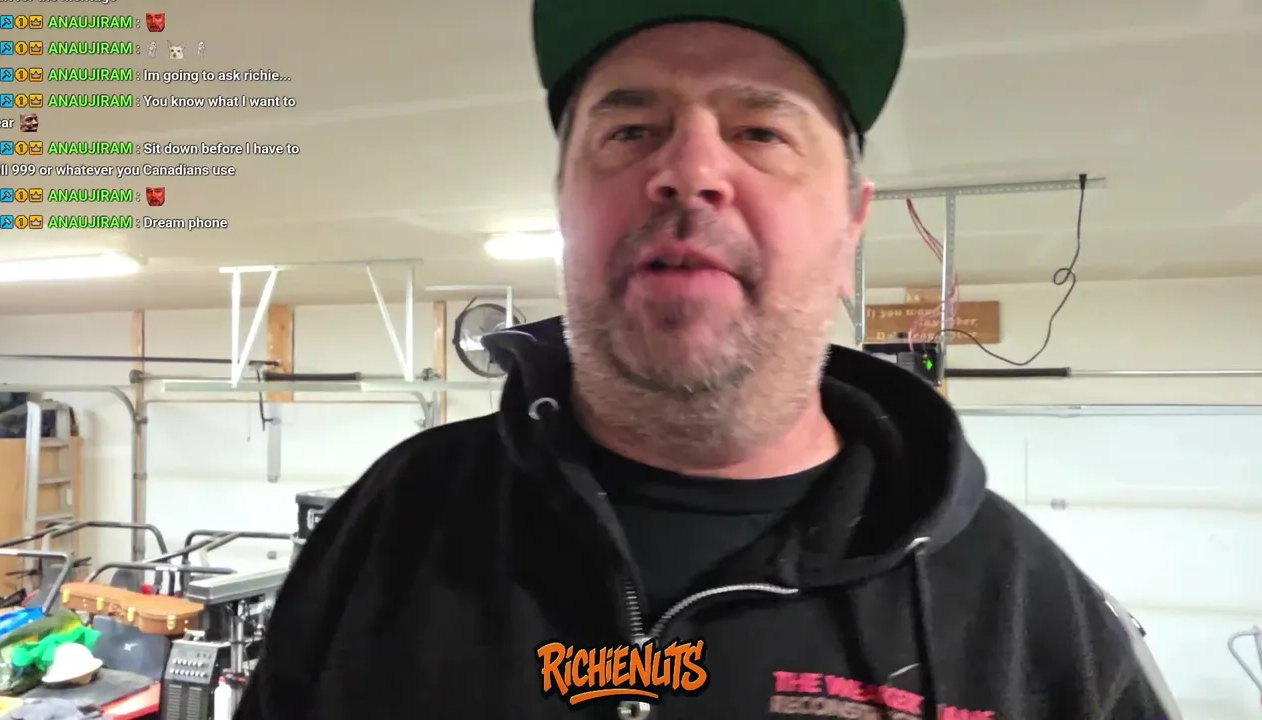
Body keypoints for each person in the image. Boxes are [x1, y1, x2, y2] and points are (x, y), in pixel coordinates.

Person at [236, 2, 1180, 718]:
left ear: (850, 227)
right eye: (629, 131)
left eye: (761, 131)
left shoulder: (1025, 615)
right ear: (565, 209)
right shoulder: (393, 529)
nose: (688, 171)